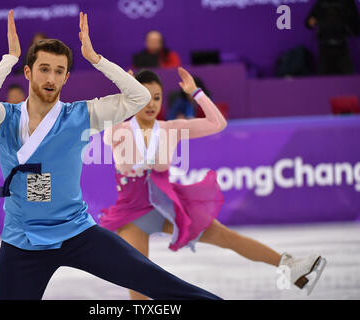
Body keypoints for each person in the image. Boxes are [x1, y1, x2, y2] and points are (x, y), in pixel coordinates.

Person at [0, 10, 222, 300]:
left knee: (154, 280)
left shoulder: (80, 115)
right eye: (44, 68)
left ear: (66, 78)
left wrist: (96, 59)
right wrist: (8, 59)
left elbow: (139, 98)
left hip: (77, 233)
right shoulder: (4, 117)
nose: (51, 77)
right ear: (28, 72)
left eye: (59, 71)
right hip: (21, 243)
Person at [100, 68, 327, 300]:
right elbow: (106, 133)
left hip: (168, 207)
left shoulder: (171, 129)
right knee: (139, 276)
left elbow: (217, 123)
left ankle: (290, 265)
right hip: (132, 216)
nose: (151, 104)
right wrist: (124, 94)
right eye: (143, 97)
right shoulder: (120, 132)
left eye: (156, 97)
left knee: (227, 237)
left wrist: (196, 93)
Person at [305, 0, 359, 75]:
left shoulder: (347, 2)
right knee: (324, 82)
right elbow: (308, 23)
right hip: (325, 47)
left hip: (342, 47)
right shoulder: (322, 3)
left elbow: (356, 24)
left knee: (347, 79)